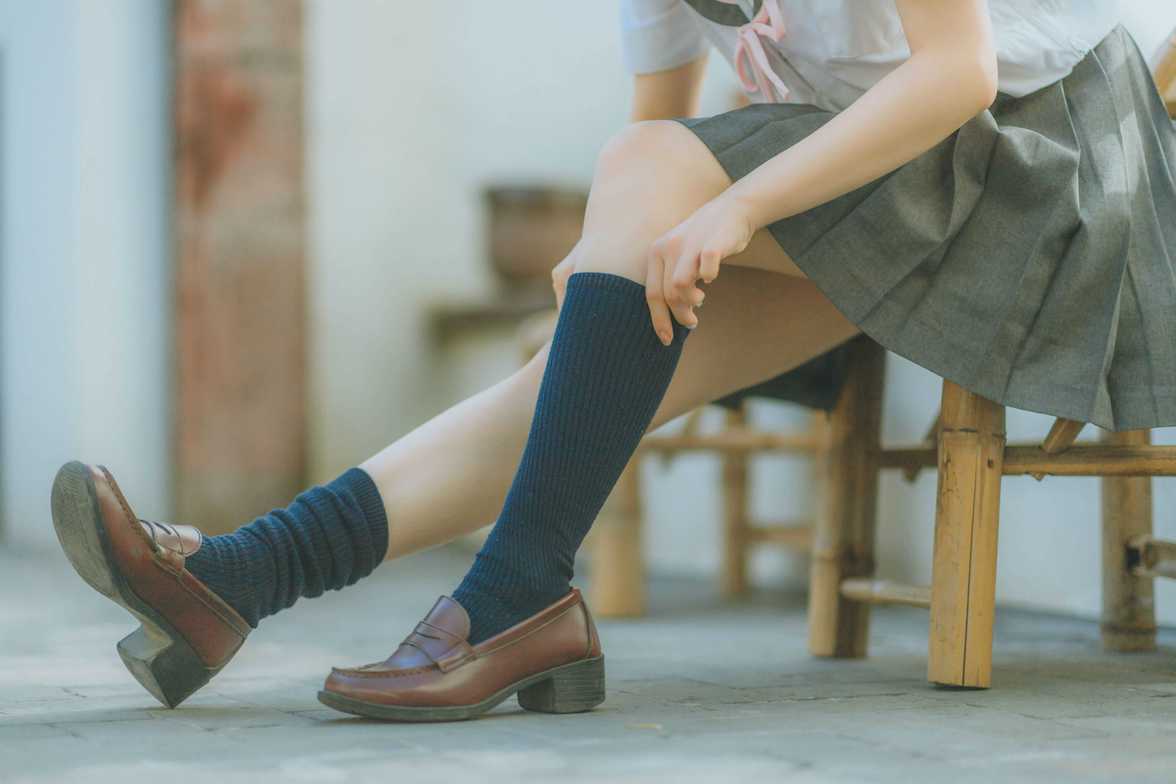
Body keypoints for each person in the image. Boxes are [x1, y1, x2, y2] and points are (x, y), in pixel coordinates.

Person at [50, 0, 1174, 722]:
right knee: (571, 377)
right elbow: (658, 126)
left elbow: (960, 74)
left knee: (643, 190)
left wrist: (730, 210)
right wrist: (610, 263)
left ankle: (517, 597)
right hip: (895, 185)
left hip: (1046, 171)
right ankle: (248, 578)